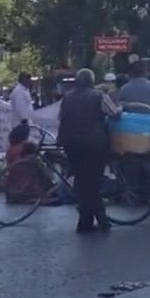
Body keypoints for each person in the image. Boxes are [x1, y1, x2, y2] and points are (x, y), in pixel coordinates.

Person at [58, 68, 122, 233]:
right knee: (93, 182)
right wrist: (121, 108)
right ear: (92, 81)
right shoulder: (99, 96)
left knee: (82, 182)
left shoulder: (67, 97)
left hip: (71, 144)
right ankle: (102, 221)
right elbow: (114, 114)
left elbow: (62, 118)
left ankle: (85, 222)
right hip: (94, 144)